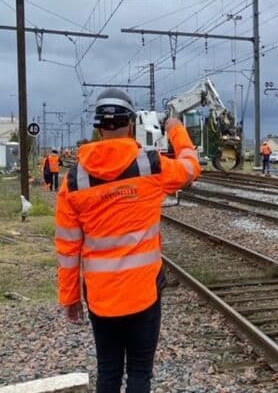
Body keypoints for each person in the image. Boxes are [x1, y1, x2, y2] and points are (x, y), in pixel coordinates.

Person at [54, 88, 201, 393]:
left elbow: (68, 249)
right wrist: (177, 132)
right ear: (131, 124)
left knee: (108, 370)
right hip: (142, 292)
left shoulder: (74, 181)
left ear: (97, 128)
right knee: (139, 372)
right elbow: (190, 168)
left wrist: (70, 298)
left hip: (100, 296)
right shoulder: (150, 165)